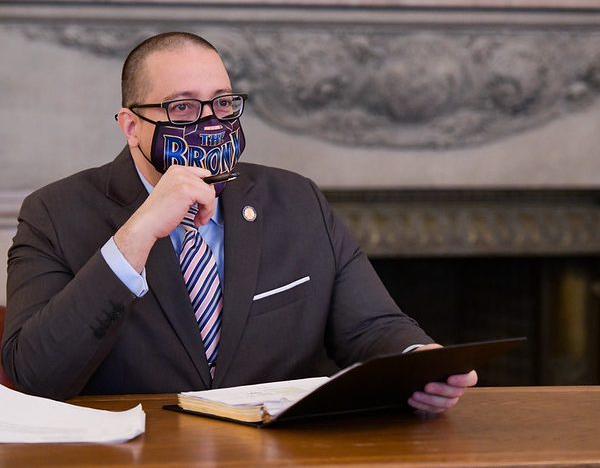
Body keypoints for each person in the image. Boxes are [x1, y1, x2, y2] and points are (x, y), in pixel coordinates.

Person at [2, 31, 476, 412]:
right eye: (183, 107)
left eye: (222, 103)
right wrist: (138, 232)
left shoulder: (297, 200)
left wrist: (420, 362)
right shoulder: (54, 213)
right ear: (131, 126)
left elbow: (371, 326)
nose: (210, 121)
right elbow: (35, 375)